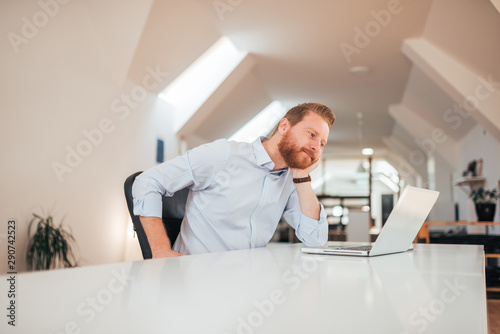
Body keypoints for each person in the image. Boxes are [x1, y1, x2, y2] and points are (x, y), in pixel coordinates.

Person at [132, 102, 335, 258]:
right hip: (195, 281)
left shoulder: (290, 181)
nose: (317, 146)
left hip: (246, 287)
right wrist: (159, 250)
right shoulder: (223, 155)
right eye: (312, 134)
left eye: (322, 143)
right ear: (284, 126)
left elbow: (315, 240)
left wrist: (302, 177)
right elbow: (146, 182)